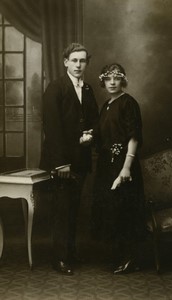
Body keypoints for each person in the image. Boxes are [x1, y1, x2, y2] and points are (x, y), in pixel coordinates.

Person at [40, 43, 99, 275]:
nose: (78, 65)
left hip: (81, 159)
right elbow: (52, 129)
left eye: (82, 61)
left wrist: (91, 135)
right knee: (62, 209)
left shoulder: (88, 89)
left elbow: (94, 119)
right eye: (74, 60)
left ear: (87, 64)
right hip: (61, 161)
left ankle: (70, 252)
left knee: (74, 207)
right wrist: (60, 164)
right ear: (65, 62)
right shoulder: (55, 88)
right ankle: (60, 258)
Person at [91, 63, 146, 274]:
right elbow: (103, 133)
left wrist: (126, 168)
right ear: (103, 81)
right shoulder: (106, 104)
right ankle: (119, 254)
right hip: (107, 164)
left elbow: (133, 137)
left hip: (124, 164)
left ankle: (130, 258)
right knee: (112, 208)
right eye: (108, 79)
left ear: (122, 80)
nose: (112, 82)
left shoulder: (128, 103)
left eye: (116, 78)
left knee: (125, 209)